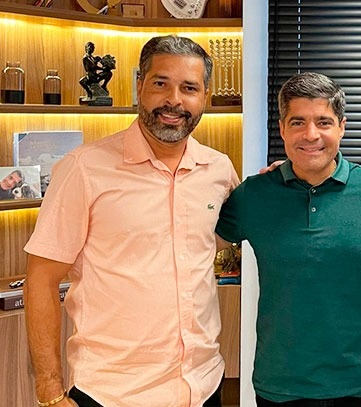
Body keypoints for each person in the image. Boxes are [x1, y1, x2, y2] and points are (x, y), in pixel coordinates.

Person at [23, 35, 239, 407]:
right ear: (140, 86)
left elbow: (230, 231)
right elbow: (41, 280)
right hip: (114, 394)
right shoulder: (84, 168)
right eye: (161, 83)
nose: (174, 100)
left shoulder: (218, 169)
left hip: (203, 386)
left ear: (205, 95)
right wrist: (50, 392)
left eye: (189, 88)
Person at [216, 72, 361, 406]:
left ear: (342, 127)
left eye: (323, 122)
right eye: (298, 122)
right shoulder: (254, 195)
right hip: (282, 386)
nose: (311, 135)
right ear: (282, 129)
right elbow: (194, 247)